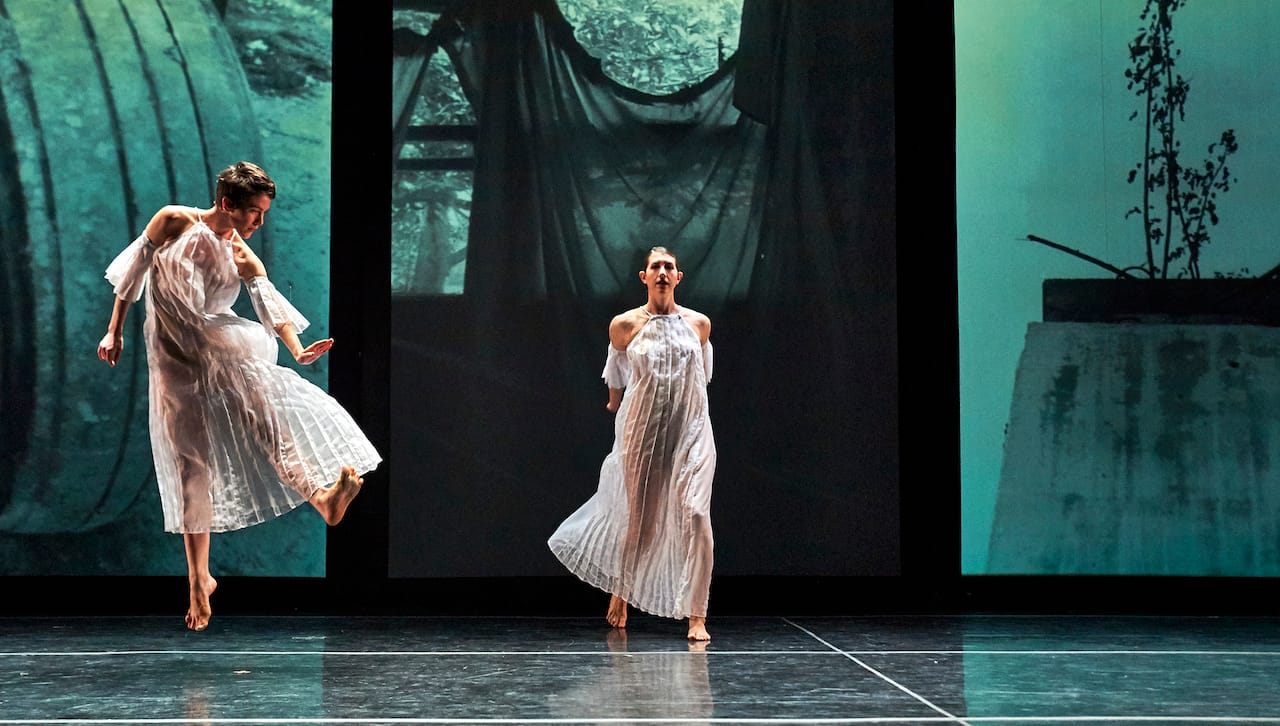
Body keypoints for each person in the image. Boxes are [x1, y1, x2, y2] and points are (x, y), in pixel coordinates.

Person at [97, 161, 381, 631]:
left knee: (270, 432)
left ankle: (323, 497)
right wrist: (114, 332)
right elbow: (134, 271)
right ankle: (198, 579)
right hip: (176, 360)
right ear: (227, 203)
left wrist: (298, 350)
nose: (258, 223)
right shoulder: (172, 220)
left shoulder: (244, 257)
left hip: (222, 349)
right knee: (191, 464)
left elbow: (269, 305)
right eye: (253, 212)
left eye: (263, 213)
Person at [548, 246, 715, 641]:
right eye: (655, 267)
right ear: (644, 277)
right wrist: (614, 405)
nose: (661, 272)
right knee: (640, 523)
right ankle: (621, 589)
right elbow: (616, 380)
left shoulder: (699, 325)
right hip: (644, 432)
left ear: (678, 277)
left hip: (691, 430)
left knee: (695, 514)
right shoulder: (624, 326)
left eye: (668, 267)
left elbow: (701, 378)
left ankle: (696, 614)